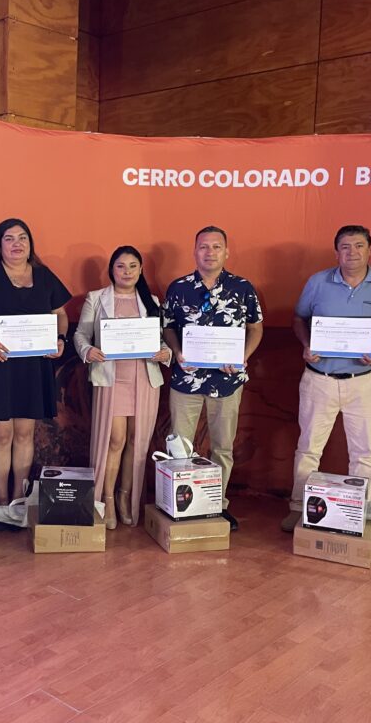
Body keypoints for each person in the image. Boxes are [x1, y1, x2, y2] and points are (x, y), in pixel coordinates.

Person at [281, 225, 371, 531]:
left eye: (359, 245)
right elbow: (299, 318)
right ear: (336, 252)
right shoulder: (317, 282)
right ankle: (298, 507)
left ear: (370, 250)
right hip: (318, 378)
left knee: (364, 452)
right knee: (308, 448)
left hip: (364, 381)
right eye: (345, 247)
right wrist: (306, 344)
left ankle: (359, 513)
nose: (352, 252)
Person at [0, 218, 71, 510]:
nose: (17, 244)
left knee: (24, 433)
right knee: (1, 434)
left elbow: (60, 313)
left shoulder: (44, 275)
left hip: (32, 366)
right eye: (9, 238)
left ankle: (18, 499)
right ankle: (1, 499)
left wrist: (60, 339)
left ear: (30, 244)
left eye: (23, 238)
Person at [162, 226, 263, 531]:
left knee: (222, 447)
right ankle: (179, 504)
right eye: (204, 247)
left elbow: (255, 327)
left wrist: (243, 355)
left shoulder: (242, 288)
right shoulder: (179, 287)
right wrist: (177, 351)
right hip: (187, 379)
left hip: (227, 380)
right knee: (180, 445)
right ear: (195, 251)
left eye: (216, 247)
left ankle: (217, 504)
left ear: (226, 252)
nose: (210, 252)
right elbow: (168, 326)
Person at [74, 246, 171, 529]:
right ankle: (106, 498)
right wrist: (88, 350)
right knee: (114, 440)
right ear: (111, 270)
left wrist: (165, 352)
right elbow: (81, 334)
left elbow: (161, 340)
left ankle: (125, 496)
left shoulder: (152, 301)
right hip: (112, 378)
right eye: (120, 266)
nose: (127, 271)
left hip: (144, 378)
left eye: (132, 266)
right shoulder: (96, 299)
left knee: (136, 441)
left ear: (141, 270)